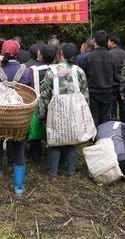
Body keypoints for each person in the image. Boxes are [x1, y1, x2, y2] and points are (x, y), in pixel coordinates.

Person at [0, 40, 33, 197]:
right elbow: (30, 94)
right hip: (18, 118)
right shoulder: (25, 72)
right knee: (19, 149)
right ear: (18, 53)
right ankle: (18, 188)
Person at [38, 43, 89, 177]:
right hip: (75, 110)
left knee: (55, 140)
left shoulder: (52, 71)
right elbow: (85, 94)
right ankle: (71, 170)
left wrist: (42, 114)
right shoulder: (79, 71)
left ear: (60, 54)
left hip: (56, 110)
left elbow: (44, 95)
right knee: (72, 139)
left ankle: (52, 171)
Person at [28, 44, 57, 166]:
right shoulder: (58, 69)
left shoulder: (33, 70)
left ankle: (37, 158)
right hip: (56, 103)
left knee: (37, 131)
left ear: (41, 56)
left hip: (38, 103)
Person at [82, 30, 118, 126]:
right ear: (107, 42)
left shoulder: (89, 57)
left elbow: (84, 75)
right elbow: (115, 75)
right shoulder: (112, 56)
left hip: (93, 91)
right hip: (107, 90)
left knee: (93, 116)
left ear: (95, 41)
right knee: (105, 117)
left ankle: (95, 138)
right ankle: (104, 137)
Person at [108, 35, 125, 122]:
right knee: (124, 107)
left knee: (112, 108)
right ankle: (124, 125)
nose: (107, 43)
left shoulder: (109, 55)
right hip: (124, 85)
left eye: (108, 41)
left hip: (112, 84)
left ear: (113, 42)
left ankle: (113, 126)